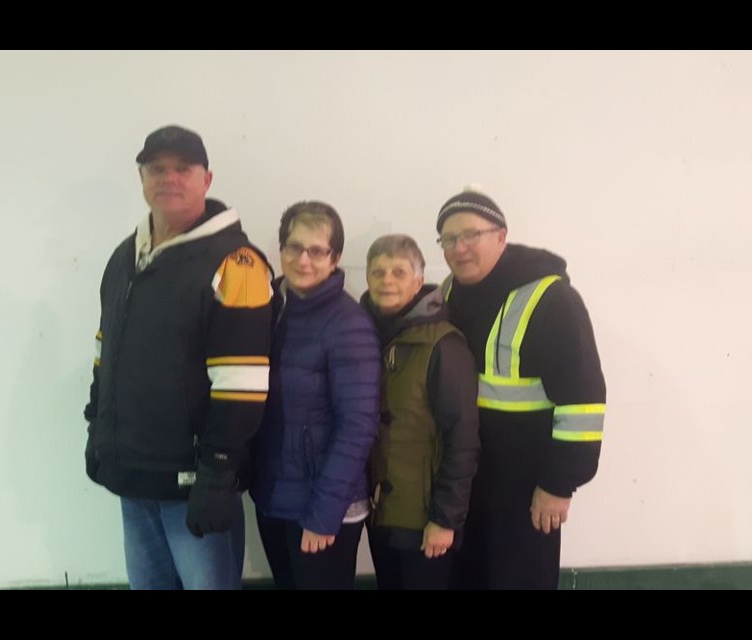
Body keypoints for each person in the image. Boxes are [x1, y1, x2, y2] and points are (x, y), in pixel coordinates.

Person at [83, 125, 272, 590]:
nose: (168, 178)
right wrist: (97, 426)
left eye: (182, 169)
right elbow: (106, 348)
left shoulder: (238, 264)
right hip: (134, 475)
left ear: (206, 180)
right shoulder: (124, 256)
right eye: (156, 168)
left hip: (194, 486)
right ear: (142, 178)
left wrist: (220, 472)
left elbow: (242, 386)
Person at [435, 187, 606, 590]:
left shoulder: (552, 299)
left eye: (470, 235)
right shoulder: (447, 292)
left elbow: (583, 401)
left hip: (525, 488)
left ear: (500, 236)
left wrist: (558, 484)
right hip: (465, 483)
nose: (459, 248)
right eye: (448, 239)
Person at [249, 201, 380, 590]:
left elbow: (358, 427)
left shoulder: (348, 323)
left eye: (317, 250)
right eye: (294, 247)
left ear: (334, 257)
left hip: (324, 507)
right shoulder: (268, 307)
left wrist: (323, 514)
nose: (303, 259)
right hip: (274, 496)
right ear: (281, 249)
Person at [361, 234, 479, 590]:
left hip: (425, 520)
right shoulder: (364, 334)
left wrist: (445, 520)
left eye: (399, 271)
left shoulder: (444, 346)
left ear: (418, 279)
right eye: (378, 271)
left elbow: (462, 440)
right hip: (381, 514)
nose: (387, 281)